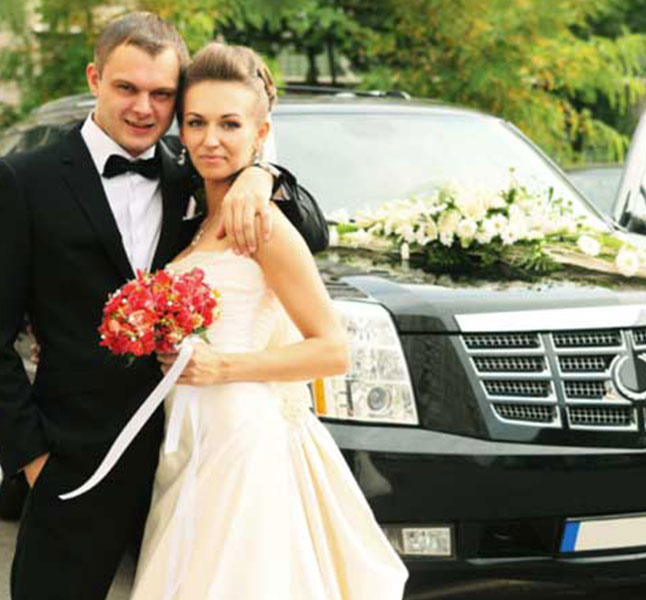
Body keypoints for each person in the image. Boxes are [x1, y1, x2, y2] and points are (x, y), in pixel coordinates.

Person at [0, 12, 328, 600]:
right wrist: (32, 462)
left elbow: (312, 231)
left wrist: (263, 173)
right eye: (127, 87)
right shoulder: (25, 180)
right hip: (78, 463)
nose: (144, 108)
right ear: (95, 77)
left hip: (197, 453)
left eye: (162, 94)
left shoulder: (195, 171)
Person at [129, 42, 408, 600]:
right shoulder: (198, 221)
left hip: (244, 438)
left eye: (230, 124)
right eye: (196, 123)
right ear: (179, 131)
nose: (211, 139)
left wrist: (223, 366)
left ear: (260, 134)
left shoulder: (266, 223)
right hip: (193, 436)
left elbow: (333, 350)